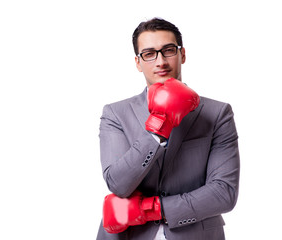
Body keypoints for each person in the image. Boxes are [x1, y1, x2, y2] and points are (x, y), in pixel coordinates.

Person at [96, 17, 240, 240]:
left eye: (168, 50)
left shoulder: (218, 113)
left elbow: (224, 193)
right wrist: (158, 126)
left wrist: (151, 209)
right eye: (149, 53)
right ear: (138, 62)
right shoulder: (116, 113)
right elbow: (118, 184)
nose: (160, 61)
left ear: (182, 54)